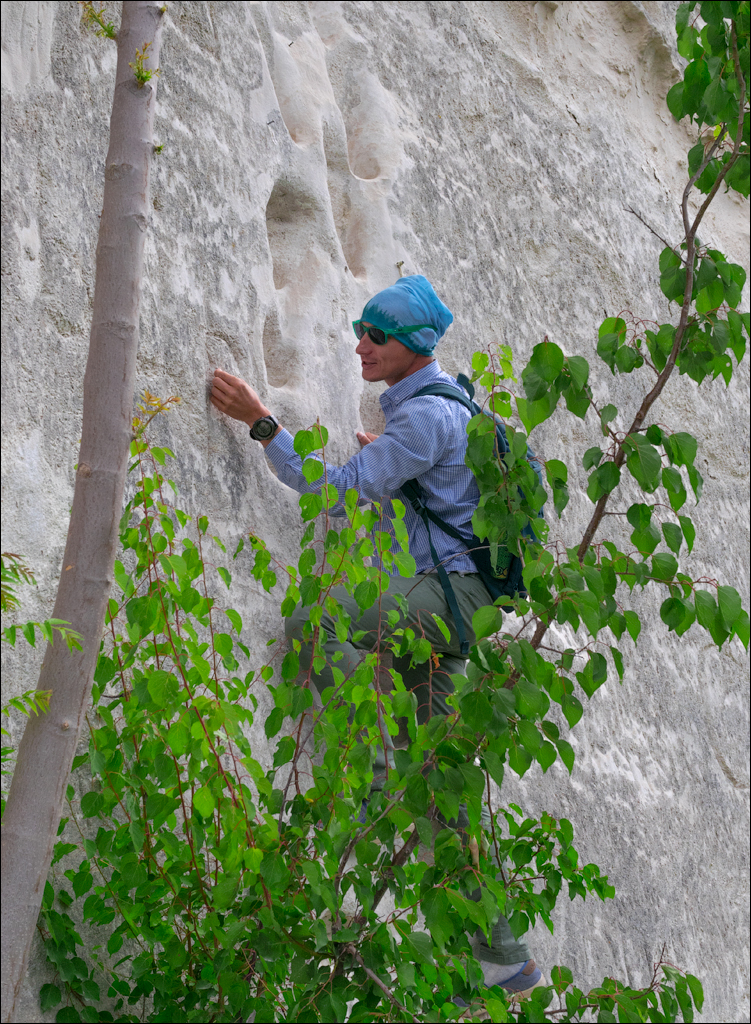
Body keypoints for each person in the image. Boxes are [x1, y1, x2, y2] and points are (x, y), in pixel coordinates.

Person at [210, 274, 543, 998]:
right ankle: (508, 961)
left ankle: (374, 775)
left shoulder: (425, 418)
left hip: (448, 604)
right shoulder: (444, 408)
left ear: (412, 346)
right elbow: (433, 508)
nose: (359, 345)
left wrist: (261, 423)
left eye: (375, 335)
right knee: (447, 797)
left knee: (314, 623)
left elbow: (331, 494)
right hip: (460, 606)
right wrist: (389, 469)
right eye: (360, 330)